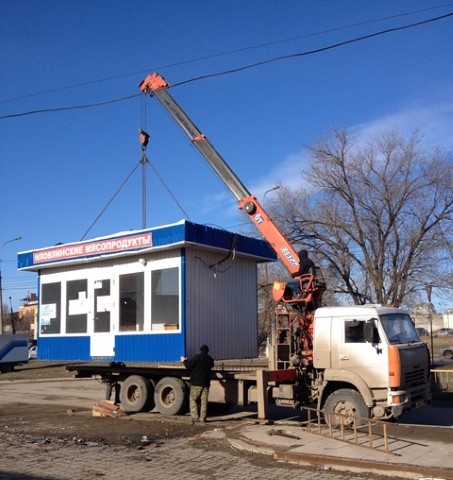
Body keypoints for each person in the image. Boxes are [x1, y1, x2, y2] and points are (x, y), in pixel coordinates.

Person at [180, 345, 214, 424]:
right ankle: (203, 418)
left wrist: (184, 360)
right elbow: (212, 365)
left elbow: (188, 366)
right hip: (206, 384)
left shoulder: (197, 357)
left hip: (196, 383)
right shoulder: (210, 359)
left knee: (193, 399)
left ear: (200, 350)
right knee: (204, 402)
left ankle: (195, 417)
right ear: (207, 351)